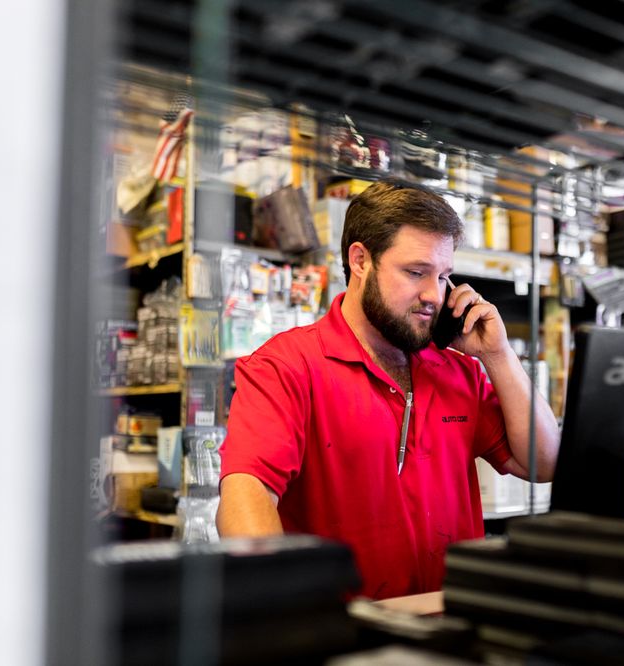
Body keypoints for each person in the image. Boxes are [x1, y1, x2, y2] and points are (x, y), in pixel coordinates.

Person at [216, 179, 559, 599]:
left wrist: (499, 355)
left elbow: (543, 463)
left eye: (444, 276)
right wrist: (291, 610)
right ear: (360, 260)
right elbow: (245, 496)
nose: (434, 295)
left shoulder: (459, 372)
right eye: (416, 272)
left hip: (450, 624)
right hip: (348, 630)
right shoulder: (286, 366)